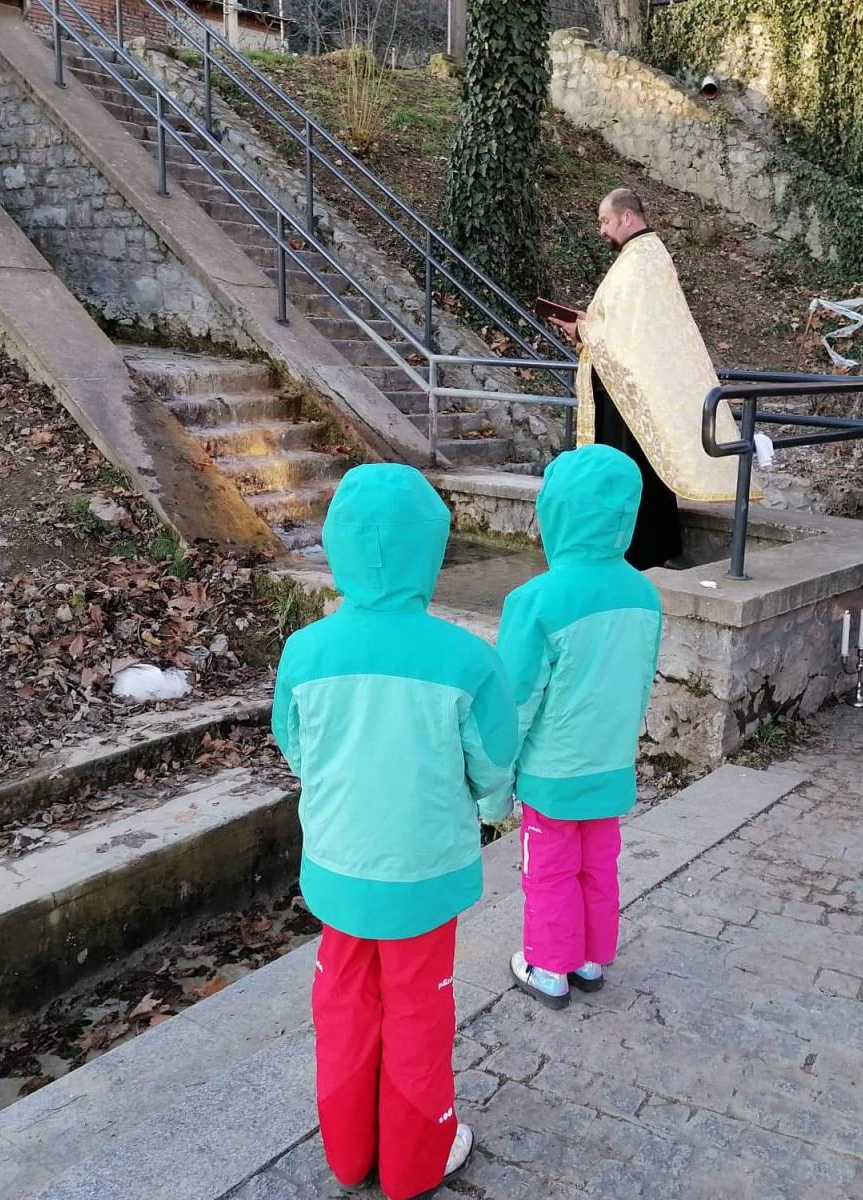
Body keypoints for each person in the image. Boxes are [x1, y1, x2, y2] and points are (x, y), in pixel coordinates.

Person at [271, 464, 518, 1198]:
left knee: (343, 1006)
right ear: (431, 551)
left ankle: (349, 1154)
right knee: (418, 1010)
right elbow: (492, 764)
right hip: (424, 873)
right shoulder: (468, 658)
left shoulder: (305, 651)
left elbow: (297, 748)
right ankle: (414, 1164)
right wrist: (492, 811)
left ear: (337, 546)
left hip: (339, 866)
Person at [494, 445, 663, 1007]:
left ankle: (548, 967)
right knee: (598, 866)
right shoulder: (644, 593)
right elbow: (640, 682)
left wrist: (495, 786)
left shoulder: (534, 600)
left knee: (548, 870)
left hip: (552, 772)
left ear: (555, 513)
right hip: (610, 763)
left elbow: (514, 703)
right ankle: (591, 959)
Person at [546, 187, 753, 570]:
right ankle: (644, 549)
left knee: (630, 471)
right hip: (622, 390)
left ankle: (637, 553)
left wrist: (582, 330)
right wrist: (588, 323)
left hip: (629, 396)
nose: (601, 230)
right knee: (634, 470)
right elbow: (624, 325)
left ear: (626, 217)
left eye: (605, 221)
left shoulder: (642, 260)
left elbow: (628, 335)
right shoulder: (639, 256)